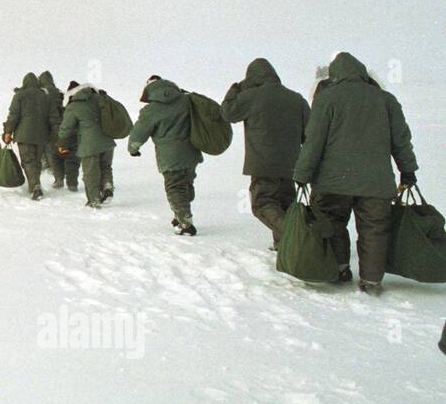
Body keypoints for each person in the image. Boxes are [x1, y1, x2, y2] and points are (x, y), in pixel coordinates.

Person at [292, 52, 418, 294]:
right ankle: (371, 281)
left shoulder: (327, 99)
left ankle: (340, 269)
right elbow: (401, 140)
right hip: (376, 183)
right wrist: (408, 170)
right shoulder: (386, 100)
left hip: (332, 182)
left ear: (335, 75)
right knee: (374, 229)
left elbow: (313, 142)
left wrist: (302, 174)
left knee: (332, 223)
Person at [220, 58, 309, 249]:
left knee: (263, 204)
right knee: (285, 204)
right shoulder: (296, 98)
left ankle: (296, 237)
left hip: (263, 164)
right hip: (291, 164)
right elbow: (308, 134)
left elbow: (227, 113)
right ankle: (283, 245)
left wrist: (236, 88)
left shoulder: (251, 96)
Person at [128, 75, 202, 235]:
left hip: (170, 156)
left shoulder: (151, 110)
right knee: (187, 183)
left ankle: (185, 224)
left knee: (175, 187)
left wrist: (133, 148)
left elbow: (139, 132)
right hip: (192, 151)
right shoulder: (186, 100)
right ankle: (181, 212)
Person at [57, 82, 115, 208]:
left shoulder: (74, 106)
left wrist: (62, 143)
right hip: (107, 140)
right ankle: (107, 186)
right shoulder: (100, 99)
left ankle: (94, 200)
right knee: (105, 166)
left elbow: (65, 128)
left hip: (89, 144)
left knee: (90, 172)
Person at [2, 72, 52, 199]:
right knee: (36, 161)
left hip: (24, 135)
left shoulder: (20, 95)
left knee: (28, 161)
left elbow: (13, 115)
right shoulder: (45, 96)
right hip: (41, 135)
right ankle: (35, 184)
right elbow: (52, 117)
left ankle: (35, 187)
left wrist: (8, 131)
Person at [39, 71, 77, 190]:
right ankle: (71, 183)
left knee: (54, 154)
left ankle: (58, 179)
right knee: (69, 156)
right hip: (66, 126)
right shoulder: (60, 93)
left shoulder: (41, 93)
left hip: (50, 128)